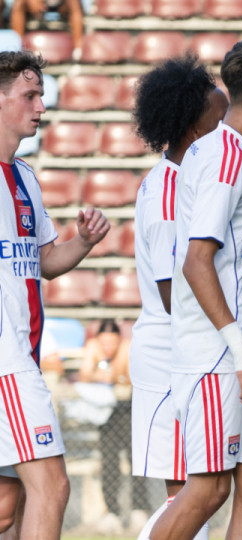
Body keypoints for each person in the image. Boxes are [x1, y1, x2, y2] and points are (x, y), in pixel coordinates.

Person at [146, 37, 242, 540]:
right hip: (219, 356)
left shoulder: (231, 152)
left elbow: (235, 261)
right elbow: (197, 262)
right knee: (209, 489)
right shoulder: (226, 159)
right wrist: (238, 349)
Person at [0, 49, 110, 539]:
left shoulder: (24, 178)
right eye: (30, 95)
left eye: (41, 94)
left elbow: (44, 262)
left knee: (8, 505)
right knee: (53, 485)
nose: (42, 106)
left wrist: (82, 242)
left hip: (23, 355)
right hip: (6, 363)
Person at [128, 54, 227, 540]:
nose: (226, 132)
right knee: (189, 496)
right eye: (218, 121)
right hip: (173, 355)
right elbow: (176, 295)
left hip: (189, 352)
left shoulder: (185, 181)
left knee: (199, 494)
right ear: (191, 127)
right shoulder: (168, 192)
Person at [76, 318, 148, 532]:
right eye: (104, 342)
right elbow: (84, 375)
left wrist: (109, 375)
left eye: (112, 342)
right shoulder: (93, 347)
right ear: (98, 339)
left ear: (119, 339)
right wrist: (110, 374)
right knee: (109, 462)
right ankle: (112, 512)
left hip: (128, 410)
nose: (108, 347)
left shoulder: (126, 347)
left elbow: (128, 377)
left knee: (136, 460)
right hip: (107, 414)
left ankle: (139, 509)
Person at [9, 0, 84, 54]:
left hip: (61, 3)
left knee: (75, 3)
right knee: (19, 3)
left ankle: (78, 49)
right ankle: (18, 48)